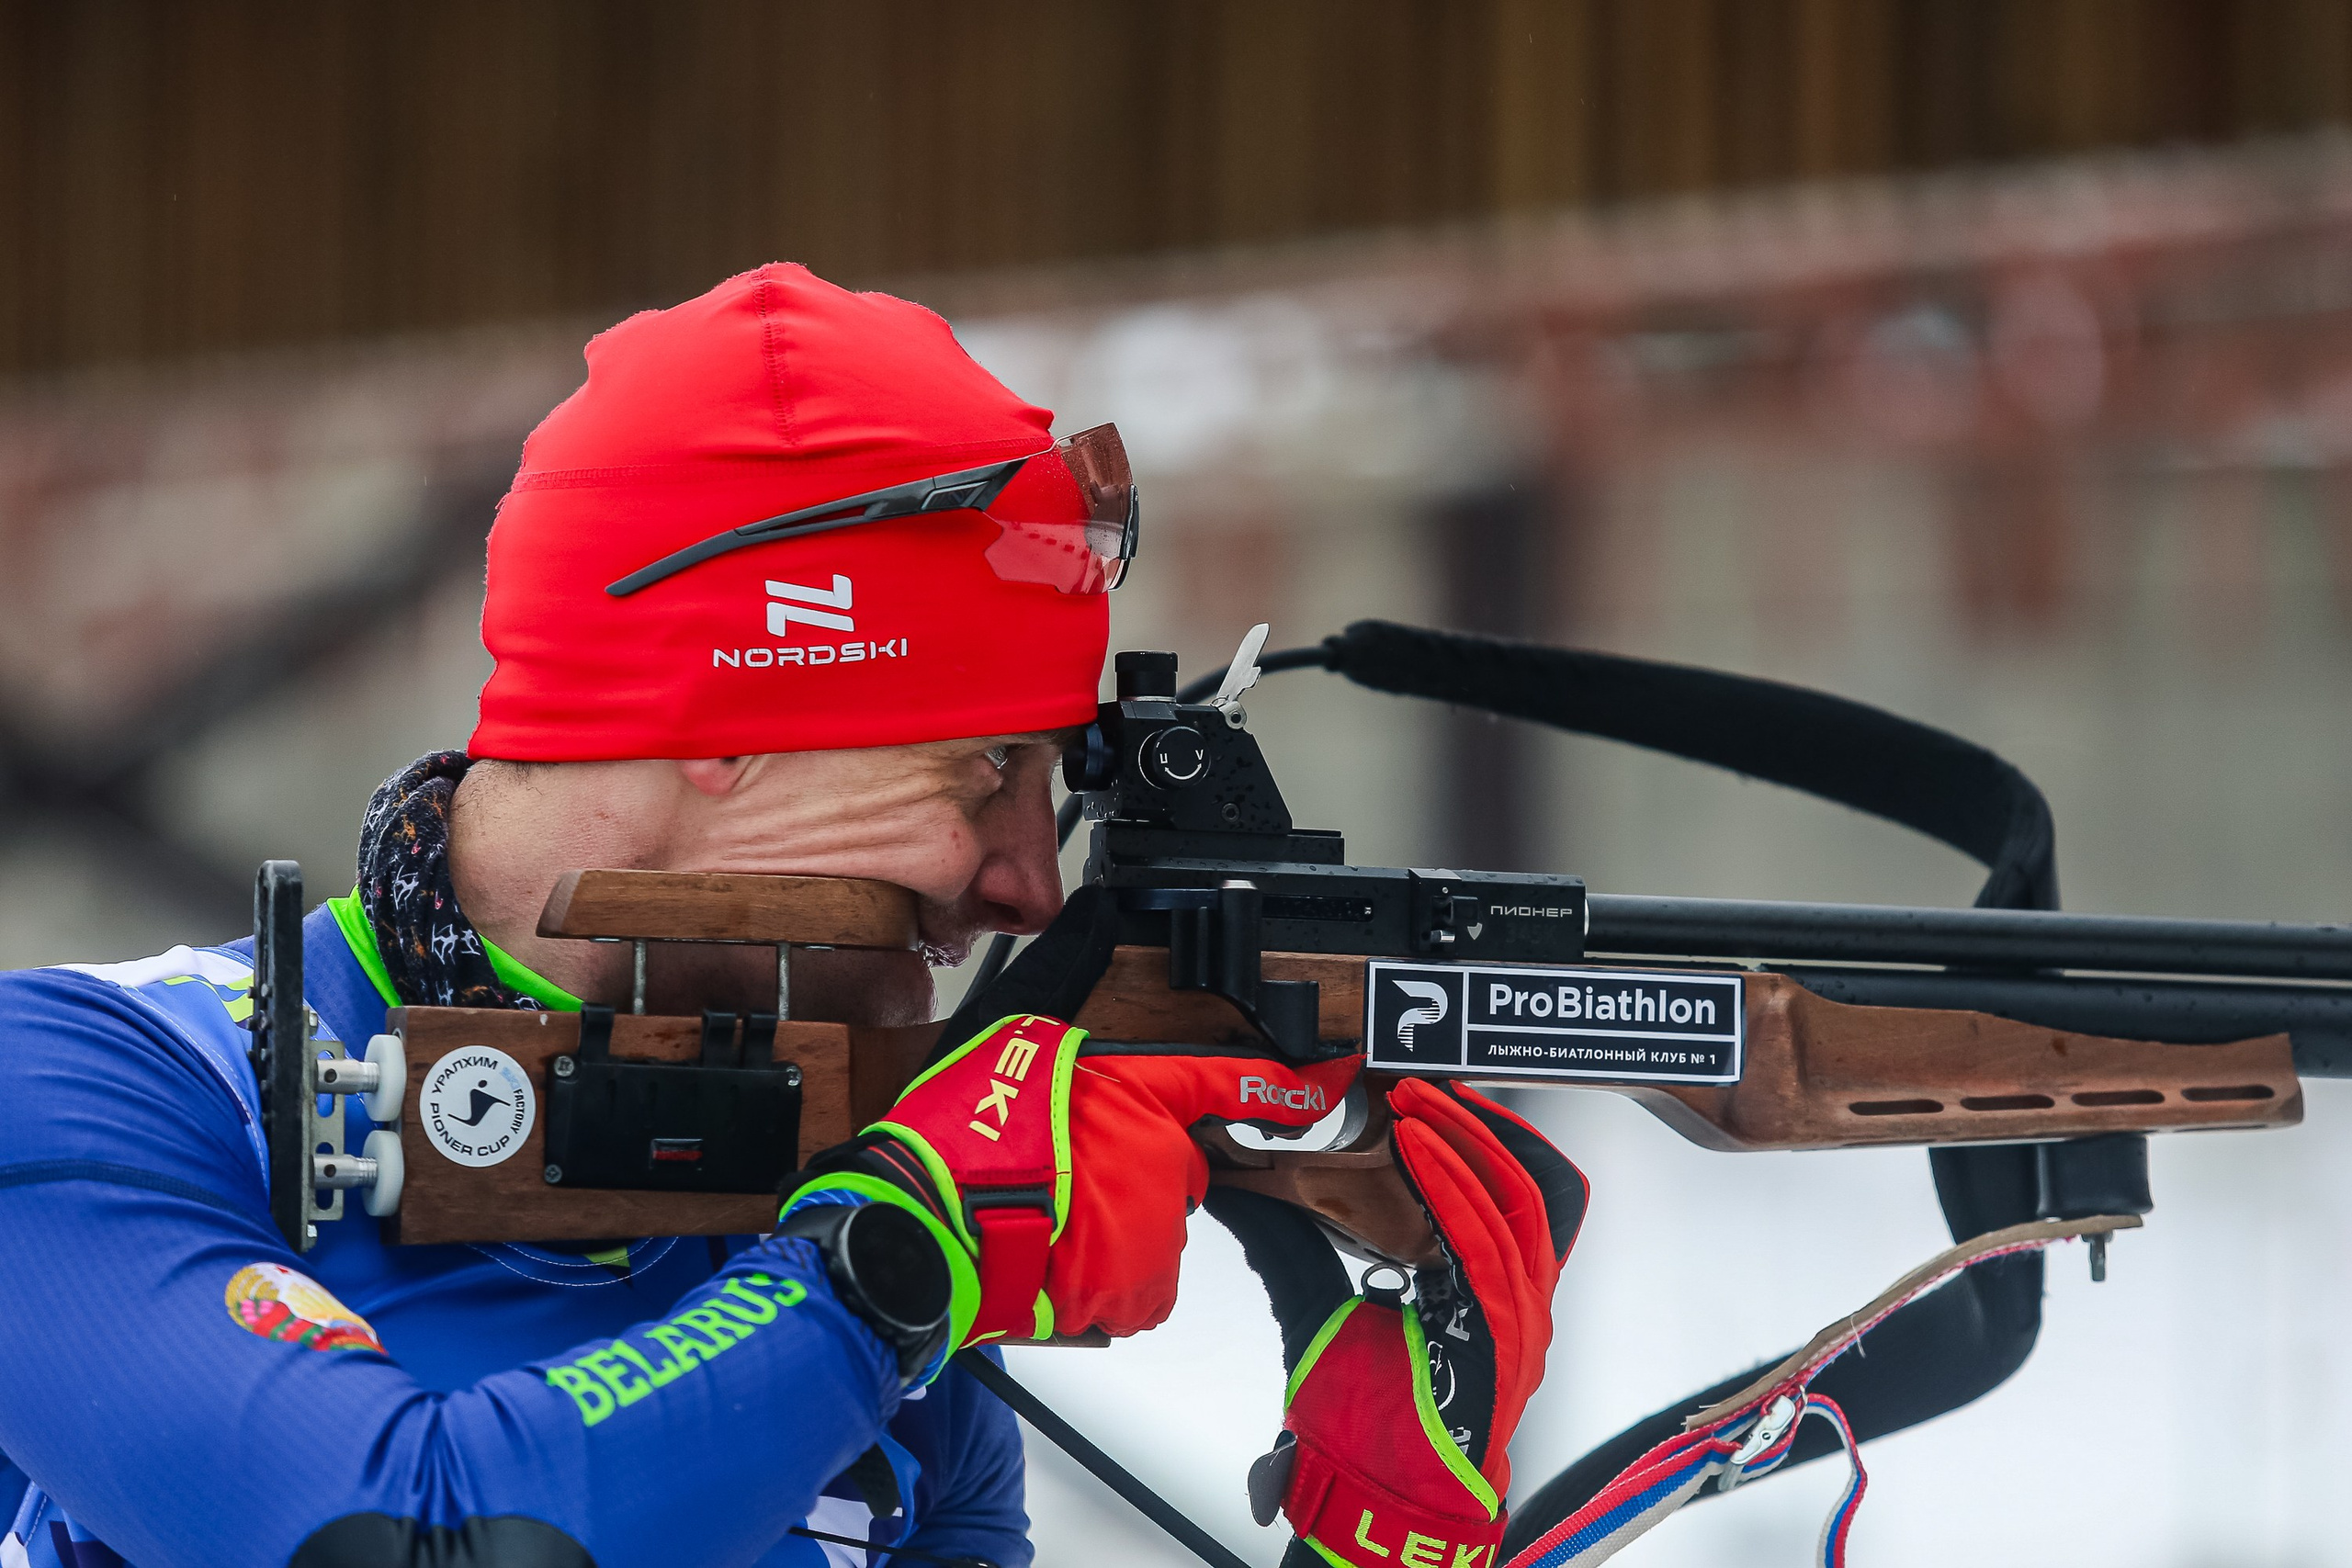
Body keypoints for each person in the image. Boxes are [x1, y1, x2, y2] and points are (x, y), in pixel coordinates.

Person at [0, 264, 1576, 1568]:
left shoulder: (828, 1195)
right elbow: (408, 1538)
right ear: (724, 727)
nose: (1032, 880)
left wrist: (1373, 1549)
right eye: (984, 775)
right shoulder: (97, 1087)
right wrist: (883, 1260)